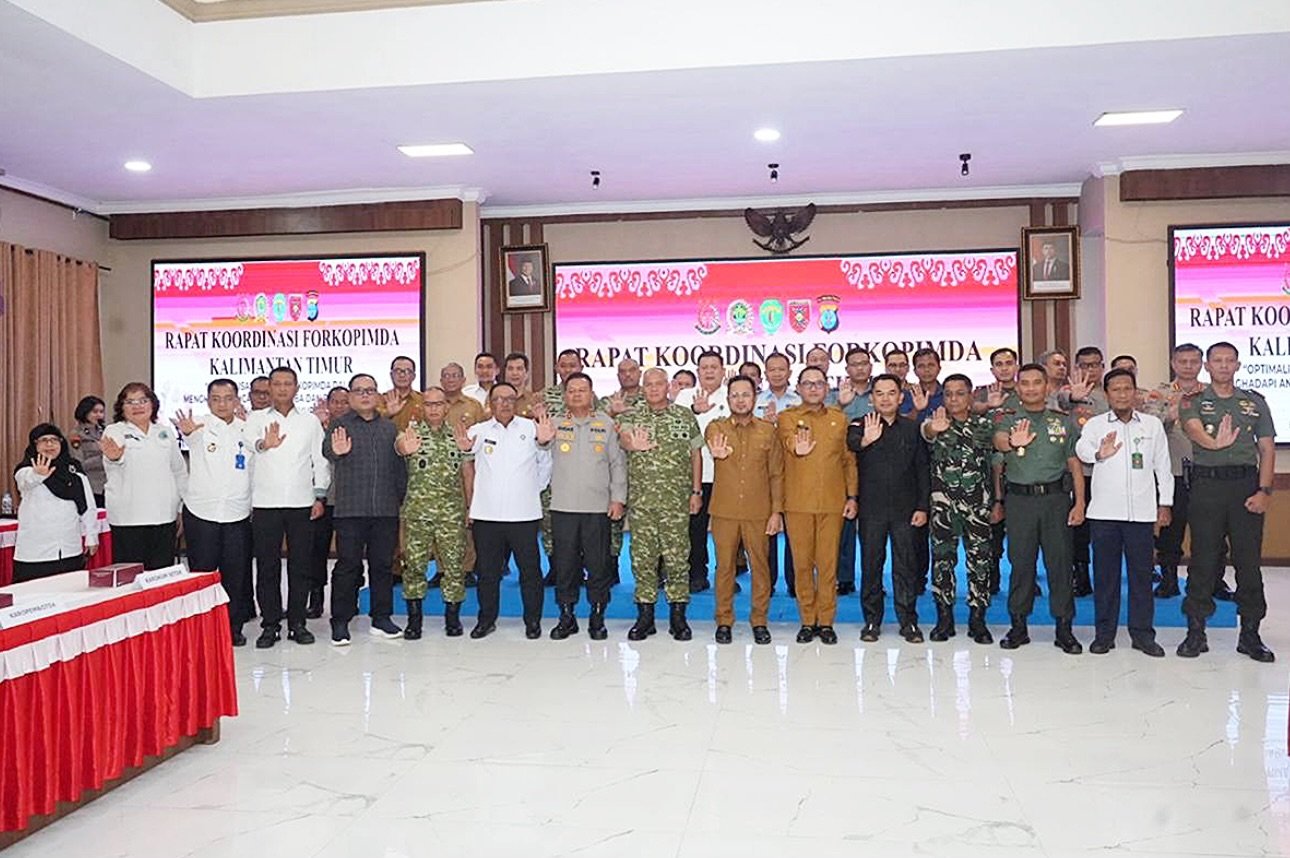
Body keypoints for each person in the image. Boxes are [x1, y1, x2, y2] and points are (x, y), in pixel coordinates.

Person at [1177, 342, 1276, 662]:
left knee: (1248, 562)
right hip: (1207, 486)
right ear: (1207, 366)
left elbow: (1267, 449)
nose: (1223, 365)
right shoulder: (1193, 400)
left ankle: (1250, 634)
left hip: (1245, 487)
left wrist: (1264, 491)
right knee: (1203, 560)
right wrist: (1214, 443)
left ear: (1238, 365)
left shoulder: (1254, 402)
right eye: (1217, 360)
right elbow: (1194, 431)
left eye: (1229, 360)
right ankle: (1196, 632)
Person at [1075, 368, 1172, 657]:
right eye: (1115, 389)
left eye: (1127, 388)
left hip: (1141, 515)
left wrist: (1165, 503)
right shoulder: (1095, 425)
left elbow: (1163, 467)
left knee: (1141, 577)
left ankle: (1142, 635)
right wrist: (1098, 454)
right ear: (1107, 394)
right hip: (1104, 514)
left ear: (1135, 391)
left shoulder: (1152, 425)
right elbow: (1081, 450)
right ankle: (1104, 635)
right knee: (1106, 578)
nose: (1121, 394)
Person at [993, 364, 1085, 654]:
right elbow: (999, 442)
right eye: (1025, 383)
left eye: (1037, 383)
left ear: (1047, 387)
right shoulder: (1007, 418)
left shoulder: (1063, 421)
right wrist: (1011, 442)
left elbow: (1074, 464)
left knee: (1060, 564)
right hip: (1020, 501)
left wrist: (1080, 503)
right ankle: (1018, 626)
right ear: (1018, 387)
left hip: (1056, 500)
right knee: (1021, 564)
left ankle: (1064, 629)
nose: (1031, 388)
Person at [458, 383, 555, 639]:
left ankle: (532, 621)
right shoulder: (478, 431)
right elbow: (466, 453)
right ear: (490, 403)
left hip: (523, 514)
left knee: (530, 572)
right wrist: (464, 448)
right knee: (487, 573)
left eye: (510, 399)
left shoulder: (531, 428)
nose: (505, 403)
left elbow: (545, 465)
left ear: (516, 402)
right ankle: (486, 620)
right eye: (499, 399)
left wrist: (530, 488)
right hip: (487, 515)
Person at [246, 366, 330, 648]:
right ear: (269, 388)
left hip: (301, 503)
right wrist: (263, 443)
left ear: (297, 388)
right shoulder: (255, 419)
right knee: (267, 568)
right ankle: (270, 625)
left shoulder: (309, 422)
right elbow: (249, 445)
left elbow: (320, 460)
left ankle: (297, 623)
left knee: (301, 566)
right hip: (264, 503)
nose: (282, 388)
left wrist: (320, 496)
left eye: (288, 383)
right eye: (277, 384)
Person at [617, 368, 704, 641]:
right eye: (649, 385)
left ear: (668, 386)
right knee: (643, 559)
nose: (654, 389)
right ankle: (645, 616)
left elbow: (696, 454)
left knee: (677, 558)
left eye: (659, 384)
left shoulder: (684, 415)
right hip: (642, 503)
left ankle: (678, 616)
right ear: (643, 388)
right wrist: (633, 444)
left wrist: (696, 491)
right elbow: (624, 439)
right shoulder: (631, 415)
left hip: (676, 502)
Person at [323, 373, 406, 645]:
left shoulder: (389, 428)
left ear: (377, 395)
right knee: (348, 566)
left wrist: (400, 499)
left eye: (370, 390)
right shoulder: (340, 425)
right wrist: (336, 451)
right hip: (350, 510)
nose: (365, 395)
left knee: (383, 566)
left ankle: (381, 619)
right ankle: (340, 621)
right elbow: (328, 451)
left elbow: (399, 468)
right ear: (350, 396)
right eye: (359, 391)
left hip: (385, 509)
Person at [778, 366, 858, 644]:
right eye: (808, 383)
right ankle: (807, 620)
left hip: (832, 503)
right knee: (802, 566)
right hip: (798, 503)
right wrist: (795, 447)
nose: (813, 388)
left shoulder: (839, 419)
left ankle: (826, 622)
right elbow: (787, 442)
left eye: (819, 383)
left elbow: (848, 461)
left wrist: (852, 496)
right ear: (798, 388)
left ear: (827, 388)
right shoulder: (787, 418)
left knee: (828, 566)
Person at [546, 373, 627, 640]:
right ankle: (566, 616)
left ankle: (597, 616)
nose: (577, 394)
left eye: (582, 390)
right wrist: (541, 440)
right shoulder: (553, 425)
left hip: (597, 508)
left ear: (591, 394)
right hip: (563, 507)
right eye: (572, 390)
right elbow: (540, 457)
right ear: (565, 396)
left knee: (598, 565)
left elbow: (617, 464)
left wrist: (618, 498)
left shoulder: (606, 424)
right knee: (565, 565)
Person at [174, 379, 255, 647]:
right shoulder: (198, 425)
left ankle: (233, 628)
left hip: (237, 514)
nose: (222, 404)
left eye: (228, 398)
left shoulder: (247, 429)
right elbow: (190, 437)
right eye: (216, 399)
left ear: (237, 400)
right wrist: (187, 433)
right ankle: (202, 629)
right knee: (202, 575)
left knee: (235, 575)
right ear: (208, 401)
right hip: (202, 513)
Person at [850, 374, 929, 642]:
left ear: (900, 397)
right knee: (871, 566)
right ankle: (872, 621)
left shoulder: (912, 428)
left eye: (891, 393)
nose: (885, 399)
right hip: (871, 511)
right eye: (879, 393)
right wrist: (865, 441)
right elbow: (851, 443)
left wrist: (922, 506)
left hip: (905, 510)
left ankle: (908, 622)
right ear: (871, 398)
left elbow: (922, 469)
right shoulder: (861, 424)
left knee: (906, 567)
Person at [920, 374, 998, 644]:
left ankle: (978, 619)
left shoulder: (984, 426)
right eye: (948, 394)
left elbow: (996, 463)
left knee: (980, 561)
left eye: (960, 393)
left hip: (978, 505)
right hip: (944, 507)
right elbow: (926, 433)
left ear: (971, 395)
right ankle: (944, 618)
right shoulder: (935, 423)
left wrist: (998, 501)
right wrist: (934, 429)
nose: (954, 399)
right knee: (942, 561)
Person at [706, 375, 784, 645]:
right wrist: (717, 452)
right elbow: (711, 439)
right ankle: (724, 621)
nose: (740, 400)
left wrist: (776, 512)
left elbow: (776, 474)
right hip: (724, 510)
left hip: (758, 511)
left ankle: (759, 620)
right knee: (724, 568)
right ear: (728, 399)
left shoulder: (768, 431)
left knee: (760, 567)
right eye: (735, 395)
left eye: (746, 395)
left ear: (755, 398)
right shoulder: (717, 427)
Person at [396, 387, 473, 638]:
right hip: (418, 513)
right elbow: (400, 446)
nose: (434, 409)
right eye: (429, 404)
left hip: (451, 514)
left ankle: (452, 619)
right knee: (414, 567)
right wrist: (403, 448)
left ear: (446, 407)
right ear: (422, 407)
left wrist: (470, 506)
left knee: (453, 567)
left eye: (438, 404)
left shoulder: (458, 435)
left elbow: (467, 473)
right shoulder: (410, 434)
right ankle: (414, 621)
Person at [1139, 344, 1211, 599]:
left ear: (1201, 364)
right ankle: (1168, 578)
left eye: (1194, 361)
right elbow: (1147, 431)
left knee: (1210, 531)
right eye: (1183, 361)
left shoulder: (1213, 393)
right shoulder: (1158, 394)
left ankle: (1211, 582)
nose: (1188, 366)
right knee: (1170, 530)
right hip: (1173, 473)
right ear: (1173, 363)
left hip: (1206, 472)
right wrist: (1169, 416)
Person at [101, 382, 186, 571]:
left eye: (142, 400)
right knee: (131, 579)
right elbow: (112, 461)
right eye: (130, 402)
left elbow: (179, 471)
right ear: (121, 407)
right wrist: (115, 458)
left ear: (152, 404)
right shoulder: (114, 431)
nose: (137, 406)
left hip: (164, 516)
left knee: (162, 576)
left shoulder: (165, 432)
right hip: (128, 519)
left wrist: (181, 508)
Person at [673, 349, 731, 593]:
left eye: (713, 367)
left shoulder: (732, 394)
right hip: (694, 476)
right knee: (695, 528)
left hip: (726, 475)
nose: (709, 372)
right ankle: (697, 573)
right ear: (698, 371)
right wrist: (695, 411)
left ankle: (726, 575)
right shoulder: (685, 396)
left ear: (722, 371)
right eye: (704, 367)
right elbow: (677, 431)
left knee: (726, 530)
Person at [12, 424, 98, 582]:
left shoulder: (74, 469)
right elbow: (24, 482)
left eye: (54, 440)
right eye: (43, 440)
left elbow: (88, 505)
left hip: (69, 549)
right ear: (34, 445)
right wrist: (38, 475)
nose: (49, 444)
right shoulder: (25, 469)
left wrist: (91, 536)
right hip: (35, 554)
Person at [755, 352, 800, 594]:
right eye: (772, 369)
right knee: (766, 530)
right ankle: (767, 582)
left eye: (781, 369)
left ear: (789, 372)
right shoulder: (755, 401)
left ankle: (796, 582)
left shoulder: (800, 400)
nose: (777, 374)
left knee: (795, 529)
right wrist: (767, 426)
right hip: (764, 473)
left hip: (795, 469)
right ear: (765, 373)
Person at [1067, 346, 1110, 598]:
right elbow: (1056, 403)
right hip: (1076, 473)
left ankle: (1104, 576)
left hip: (1106, 473)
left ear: (1102, 367)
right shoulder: (1066, 393)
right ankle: (1080, 574)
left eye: (1095, 365)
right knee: (1077, 528)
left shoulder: (1111, 394)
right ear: (1076, 367)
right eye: (1084, 365)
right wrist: (1073, 397)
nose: (1090, 370)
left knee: (1104, 528)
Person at [836, 347, 875, 596]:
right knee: (845, 525)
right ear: (847, 369)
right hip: (844, 467)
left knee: (873, 528)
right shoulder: (835, 396)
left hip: (876, 466)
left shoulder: (881, 392)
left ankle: (873, 579)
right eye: (854, 364)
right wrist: (841, 405)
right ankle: (845, 577)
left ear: (870, 366)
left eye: (864, 363)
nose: (860, 368)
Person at [307, 386, 349, 618]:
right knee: (316, 552)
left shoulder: (356, 428)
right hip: (321, 501)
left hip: (348, 502)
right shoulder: (315, 428)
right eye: (335, 401)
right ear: (328, 404)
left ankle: (349, 600)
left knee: (348, 555)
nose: (340, 406)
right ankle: (316, 599)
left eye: (345, 402)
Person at [69, 395, 107, 506]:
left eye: (101, 412)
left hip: (109, 485)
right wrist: (103, 457)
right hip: (91, 485)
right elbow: (79, 464)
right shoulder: (76, 435)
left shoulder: (106, 431)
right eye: (95, 412)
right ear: (85, 412)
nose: (99, 415)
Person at [378, 355, 423, 432]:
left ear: (413, 376)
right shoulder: (380, 400)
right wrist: (388, 414)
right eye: (397, 371)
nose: (402, 375)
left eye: (407, 371)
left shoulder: (422, 400)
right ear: (391, 375)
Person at [900, 347, 944, 422]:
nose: (926, 370)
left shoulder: (949, 394)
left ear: (939, 368)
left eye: (931, 365)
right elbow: (902, 424)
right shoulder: (906, 395)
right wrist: (916, 410)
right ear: (915, 371)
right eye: (921, 366)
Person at [441, 362, 488, 430]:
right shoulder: (434, 405)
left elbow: (483, 430)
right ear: (441, 381)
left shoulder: (474, 406)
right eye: (446, 376)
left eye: (455, 376)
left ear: (463, 380)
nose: (451, 380)